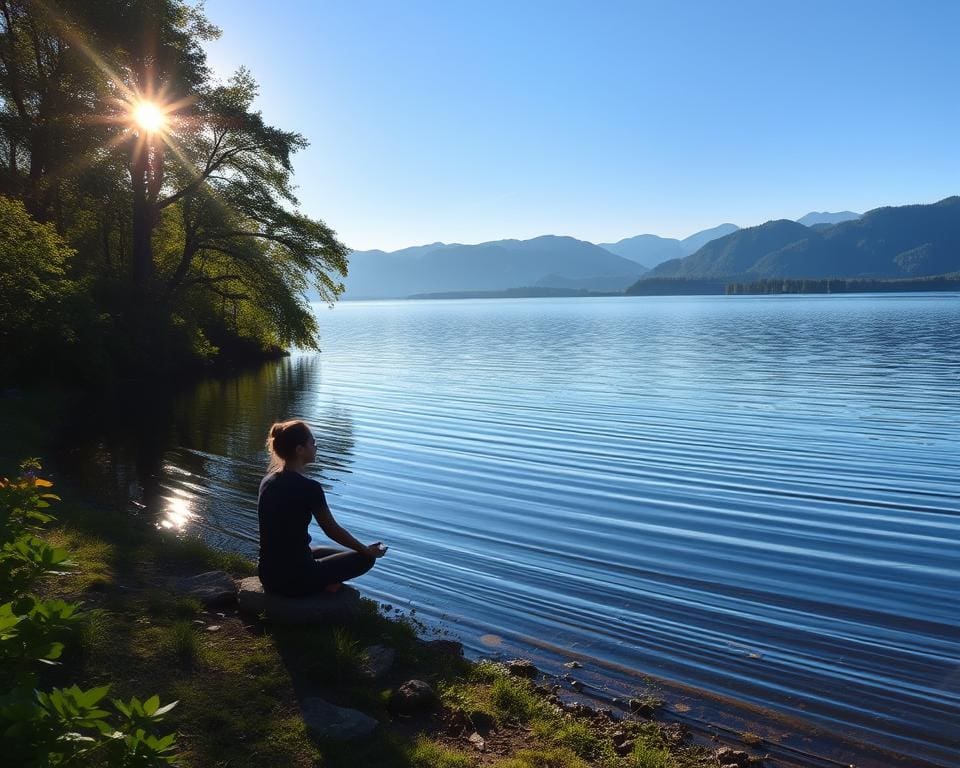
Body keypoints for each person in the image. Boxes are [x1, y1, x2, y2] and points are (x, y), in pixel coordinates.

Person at [257, 419, 387, 596]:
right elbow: (332, 530)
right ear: (300, 450)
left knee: (314, 550)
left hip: (268, 574)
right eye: (313, 442)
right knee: (365, 559)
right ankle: (320, 587)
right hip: (293, 580)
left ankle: (321, 579)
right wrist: (366, 550)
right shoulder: (310, 488)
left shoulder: (268, 481)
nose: (316, 446)